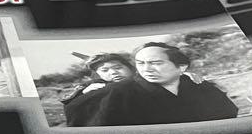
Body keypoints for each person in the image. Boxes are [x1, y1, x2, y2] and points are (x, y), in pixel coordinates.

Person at [65, 42, 238, 127]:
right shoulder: (110, 91)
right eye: (141, 63)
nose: (147, 69)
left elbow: (227, 113)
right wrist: (83, 94)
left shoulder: (195, 83)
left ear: (181, 66)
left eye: (156, 63)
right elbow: (79, 114)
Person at [61, 53, 134, 126]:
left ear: (130, 68)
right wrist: (84, 94)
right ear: (97, 74)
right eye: (105, 70)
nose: (113, 72)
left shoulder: (138, 82)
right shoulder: (92, 87)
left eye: (118, 68)